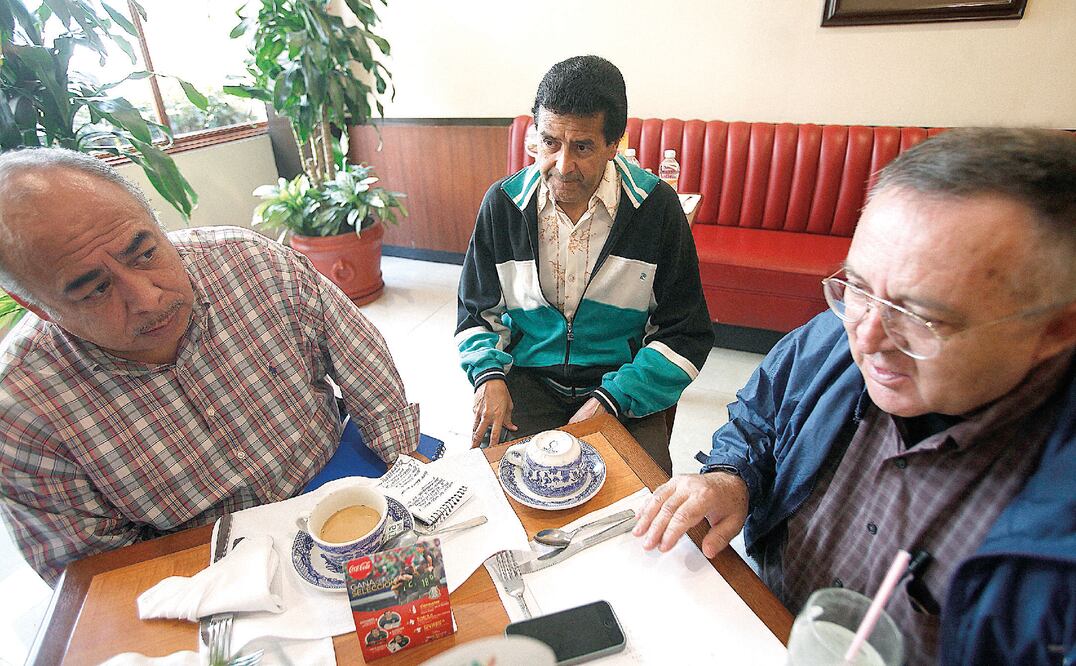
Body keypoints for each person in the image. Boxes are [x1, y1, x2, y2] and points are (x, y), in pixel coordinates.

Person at [633, 128, 1076, 664]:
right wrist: (731, 478)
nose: (865, 339)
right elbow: (760, 418)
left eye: (922, 316)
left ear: (1056, 329)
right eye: (859, 286)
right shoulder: (829, 341)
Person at [0, 148, 420, 584]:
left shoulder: (253, 263)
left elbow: (367, 371)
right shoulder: (22, 413)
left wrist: (408, 481)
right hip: (207, 563)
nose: (149, 299)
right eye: (96, 289)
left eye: (144, 253)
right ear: (37, 306)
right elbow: (102, 576)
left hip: (339, 471)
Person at [456, 55, 713, 474]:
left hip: (622, 388)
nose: (562, 165)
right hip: (527, 385)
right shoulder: (502, 205)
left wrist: (612, 400)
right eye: (550, 142)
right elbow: (474, 315)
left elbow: (685, 335)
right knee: (500, 497)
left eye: (583, 147)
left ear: (615, 145)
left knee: (636, 517)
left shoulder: (656, 209)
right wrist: (489, 376)